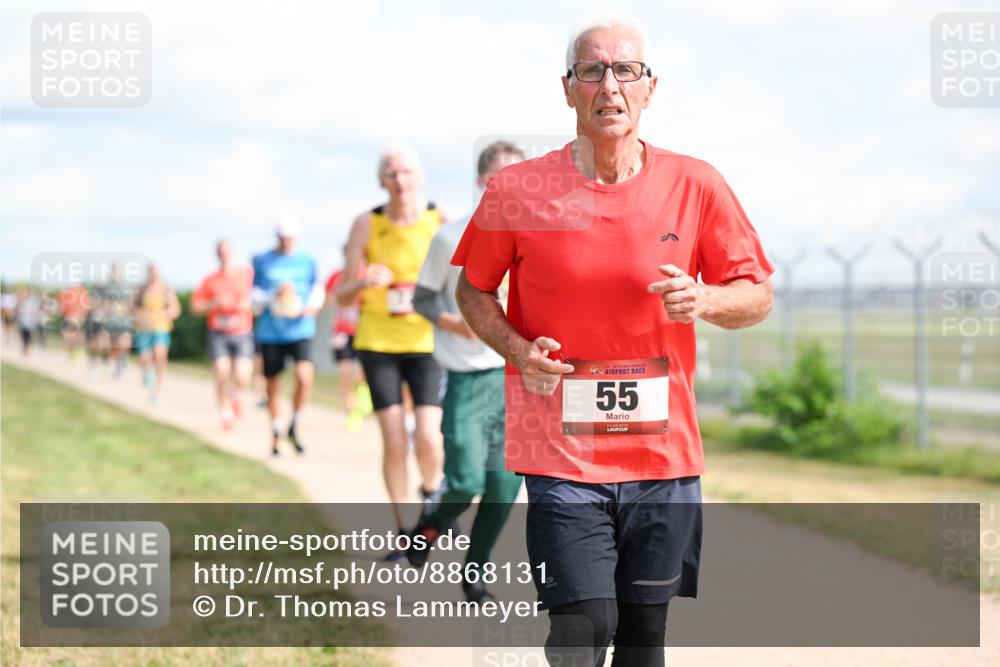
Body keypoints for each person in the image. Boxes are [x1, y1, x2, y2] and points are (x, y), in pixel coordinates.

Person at [452, 16, 774, 667]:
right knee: (581, 628)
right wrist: (517, 349)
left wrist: (705, 298)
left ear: (650, 88)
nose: (609, 85)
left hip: (663, 457)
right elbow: (472, 291)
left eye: (625, 69)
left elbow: (757, 293)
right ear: (568, 89)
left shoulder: (696, 183)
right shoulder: (517, 191)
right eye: (592, 70)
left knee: (641, 639)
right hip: (560, 452)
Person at [406, 141, 526, 605]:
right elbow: (421, 298)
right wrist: (460, 321)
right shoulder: (449, 236)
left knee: (503, 486)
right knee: (467, 482)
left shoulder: (535, 236)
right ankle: (429, 526)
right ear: (482, 182)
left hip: (514, 377)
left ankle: (474, 573)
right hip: (465, 376)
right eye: (503, 177)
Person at [337, 145, 450, 559]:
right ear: (381, 181)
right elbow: (342, 294)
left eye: (406, 172)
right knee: (392, 439)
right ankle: (405, 532)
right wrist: (364, 279)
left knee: (428, 436)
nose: (399, 180)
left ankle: (432, 493)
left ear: (419, 176)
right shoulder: (367, 224)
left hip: (427, 343)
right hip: (378, 342)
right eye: (391, 173)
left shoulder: (442, 220)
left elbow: (470, 281)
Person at [252, 213, 322, 456]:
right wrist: (275, 294)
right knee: (273, 383)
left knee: (304, 377)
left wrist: (311, 306)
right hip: (272, 331)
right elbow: (254, 296)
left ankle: (294, 423)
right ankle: (275, 430)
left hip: (300, 328)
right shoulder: (262, 260)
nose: (286, 242)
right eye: (282, 238)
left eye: (290, 238)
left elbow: (317, 288)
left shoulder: (307, 260)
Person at [191, 239, 256, 430]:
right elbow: (195, 308)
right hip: (218, 332)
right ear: (217, 254)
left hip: (242, 331)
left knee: (243, 376)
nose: (223, 254)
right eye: (220, 251)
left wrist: (246, 304)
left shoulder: (246, 275)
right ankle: (225, 413)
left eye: (226, 251)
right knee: (221, 371)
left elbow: (260, 296)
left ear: (232, 252)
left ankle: (235, 394)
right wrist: (214, 304)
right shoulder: (210, 280)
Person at [324, 257, 373, 432]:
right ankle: (351, 412)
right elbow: (327, 301)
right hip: (342, 331)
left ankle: (364, 395)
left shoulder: (368, 275)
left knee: (363, 373)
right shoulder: (336, 276)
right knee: (345, 374)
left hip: (362, 330)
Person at [133, 264, 181, 402]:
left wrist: (167, 313)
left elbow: (176, 309)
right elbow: (133, 308)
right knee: (144, 358)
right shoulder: (141, 290)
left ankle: (158, 390)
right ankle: (146, 371)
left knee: (160, 355)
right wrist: (139, 317)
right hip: (145, 329)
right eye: (151, 271)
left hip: (161, 328)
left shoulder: (166, 289)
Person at [57, 284, 90, 360]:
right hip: (68, 316)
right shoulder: (64, 292)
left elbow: (86, 304)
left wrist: (82, 315)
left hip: (77, 316)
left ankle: (77, 350)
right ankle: (72, 352)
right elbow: (61, 307)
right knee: (68, 335)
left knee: (75, 334)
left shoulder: (82, 290)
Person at [14, 287, 40, 356]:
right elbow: (17, 311)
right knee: (23, 335)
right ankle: (24, 348)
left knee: (28, 335)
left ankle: (26, 348)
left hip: (29, 322)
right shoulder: (20, 302)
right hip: (22, 321)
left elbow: (35, 312)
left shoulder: (31, 302)